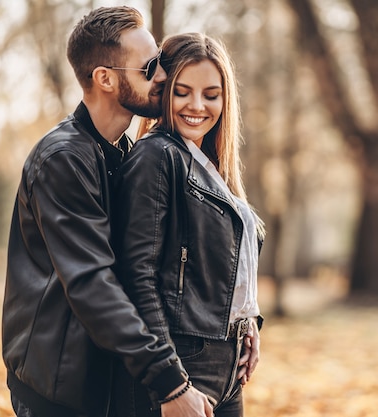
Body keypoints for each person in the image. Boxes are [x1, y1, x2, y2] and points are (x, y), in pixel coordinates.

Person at [1, 7, 213, 417]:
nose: (164, 78)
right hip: (59, 391)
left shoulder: (124, 155)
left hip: (108, 384)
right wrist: (170, 383)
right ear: (105, 78)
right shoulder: (63, 160)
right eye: (150, 67)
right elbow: (91, 283)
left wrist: (243, 323)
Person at [113, 32, 265, 417]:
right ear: (164, 91)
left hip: (227, 369)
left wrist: (248, 323)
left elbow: (220, 270)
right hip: (183, 364)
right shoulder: (157, 156)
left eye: (211, 95)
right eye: (183, 91)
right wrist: (171, 382)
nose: (197, 106)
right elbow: (138, 278)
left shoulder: (209, 165)